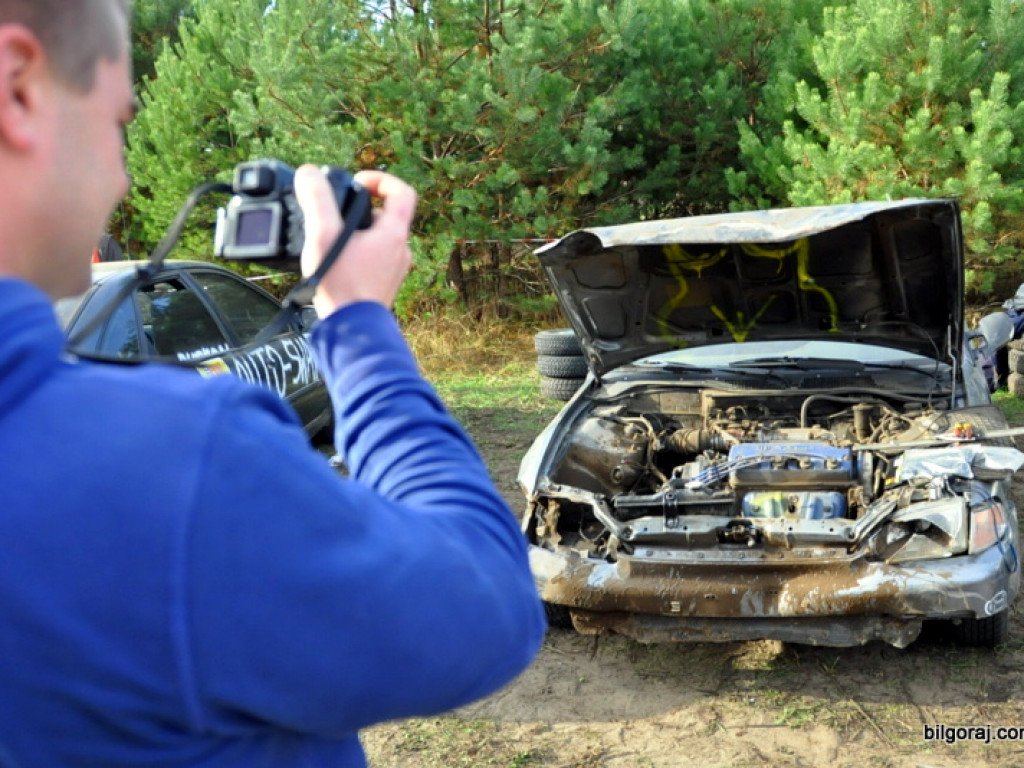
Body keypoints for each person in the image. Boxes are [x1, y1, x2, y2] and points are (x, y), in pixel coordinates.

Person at [0, 1, 545, 766]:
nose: (122, 179)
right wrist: (358, 323)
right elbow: (485, 607)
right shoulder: (178, 466)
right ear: (18, 88)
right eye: (117, 122)